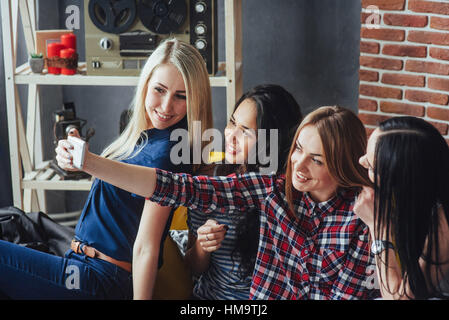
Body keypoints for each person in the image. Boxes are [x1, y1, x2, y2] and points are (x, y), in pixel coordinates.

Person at [56, 105, 381, 300]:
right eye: (298, 150)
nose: (299, 165)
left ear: (343, 165)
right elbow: (179, 187)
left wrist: (378, 228)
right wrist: (90, 162)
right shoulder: (274, 190)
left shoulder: (365, 219)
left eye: (317, 160)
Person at [0, 38, 213, 299]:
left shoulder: (171, 152)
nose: (167, 106)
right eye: (159, 89)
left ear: (196, 100)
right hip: (81, 265)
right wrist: (74, 156)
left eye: (181, 96)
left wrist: (88, 162)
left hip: (98, 280)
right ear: (146, 85)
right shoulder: (143, 137)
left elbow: (146, 245)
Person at [184, 84, 303, 299]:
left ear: (272, 141)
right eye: (232, 122)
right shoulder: (209, 180)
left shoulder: (289, 192)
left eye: (246, 131)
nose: (231, 136)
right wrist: (203, 246)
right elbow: (193, 267)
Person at [354, 116, 449, 300]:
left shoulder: (444, 220)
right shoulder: (417, 198)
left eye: (372, 167)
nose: (361, 161)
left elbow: (399, 298)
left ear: (401, 181)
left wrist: (378, 225)